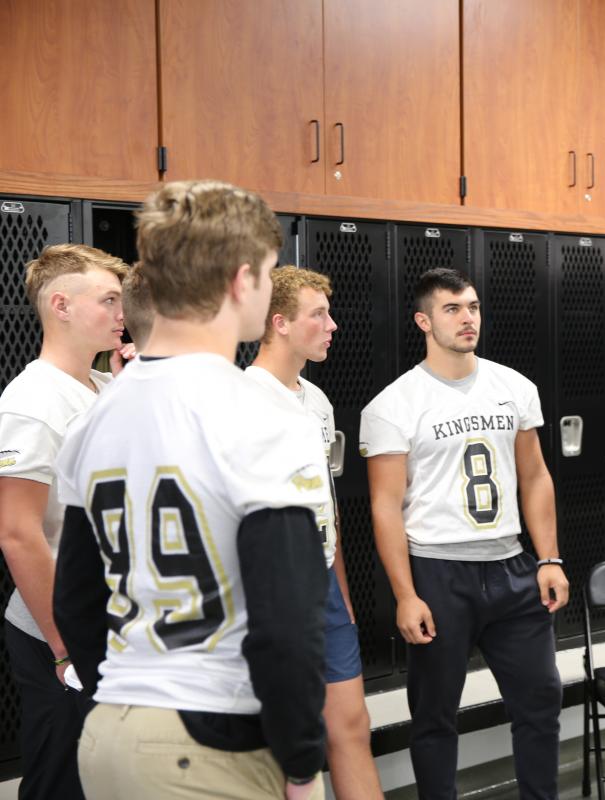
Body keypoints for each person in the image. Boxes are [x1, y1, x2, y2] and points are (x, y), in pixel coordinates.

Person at [51, 180, 330, 800]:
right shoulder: (263, 415)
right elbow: (287, 621)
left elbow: (73, 598)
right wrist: (303, 763)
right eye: (267, 271)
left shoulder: (95, 416)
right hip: (212, 741)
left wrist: (129, 696)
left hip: (109, 735)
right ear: (240, 281)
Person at [361, 268, 568, 800]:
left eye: (472, 306)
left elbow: (535, 475)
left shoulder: (514, 387)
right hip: (438, 573)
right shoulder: (393, 405)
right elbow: (385, 506)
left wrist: (549, 559)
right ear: (424, 320)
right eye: (452, 309)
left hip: (512, 568)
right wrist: (406, 595)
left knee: (541, 703)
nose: (467, 317)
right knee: (434, 715)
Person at [245, 265, 383, 799]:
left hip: (322, 581)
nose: (333, 325)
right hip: (273, 590)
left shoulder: (318, 401)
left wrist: (342, 591)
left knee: (351, 725)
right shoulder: (243, 399)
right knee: (285, 739)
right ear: (279, 322)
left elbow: (327, 507)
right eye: (318, 315)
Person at [0, 243, 128, 800]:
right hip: (58, 633)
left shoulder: (105, 387)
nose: (122, 313)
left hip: (107, 620)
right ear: (61, 305)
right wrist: (65, 648)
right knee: (61, 783)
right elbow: (18, 533)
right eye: (109, 300)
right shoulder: (31, 402)